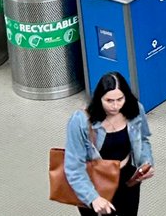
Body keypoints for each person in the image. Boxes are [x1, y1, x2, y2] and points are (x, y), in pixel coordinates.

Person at [64, 71, 154, 216]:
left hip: (127, 180)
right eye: (109, 101)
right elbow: (74, 167)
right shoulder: (81, 121)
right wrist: (92, 198)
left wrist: (146, 162)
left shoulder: (135, 111)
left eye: (120, 99)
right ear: (99, 98)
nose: (115, 106)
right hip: (95, 183)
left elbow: (143, 139)